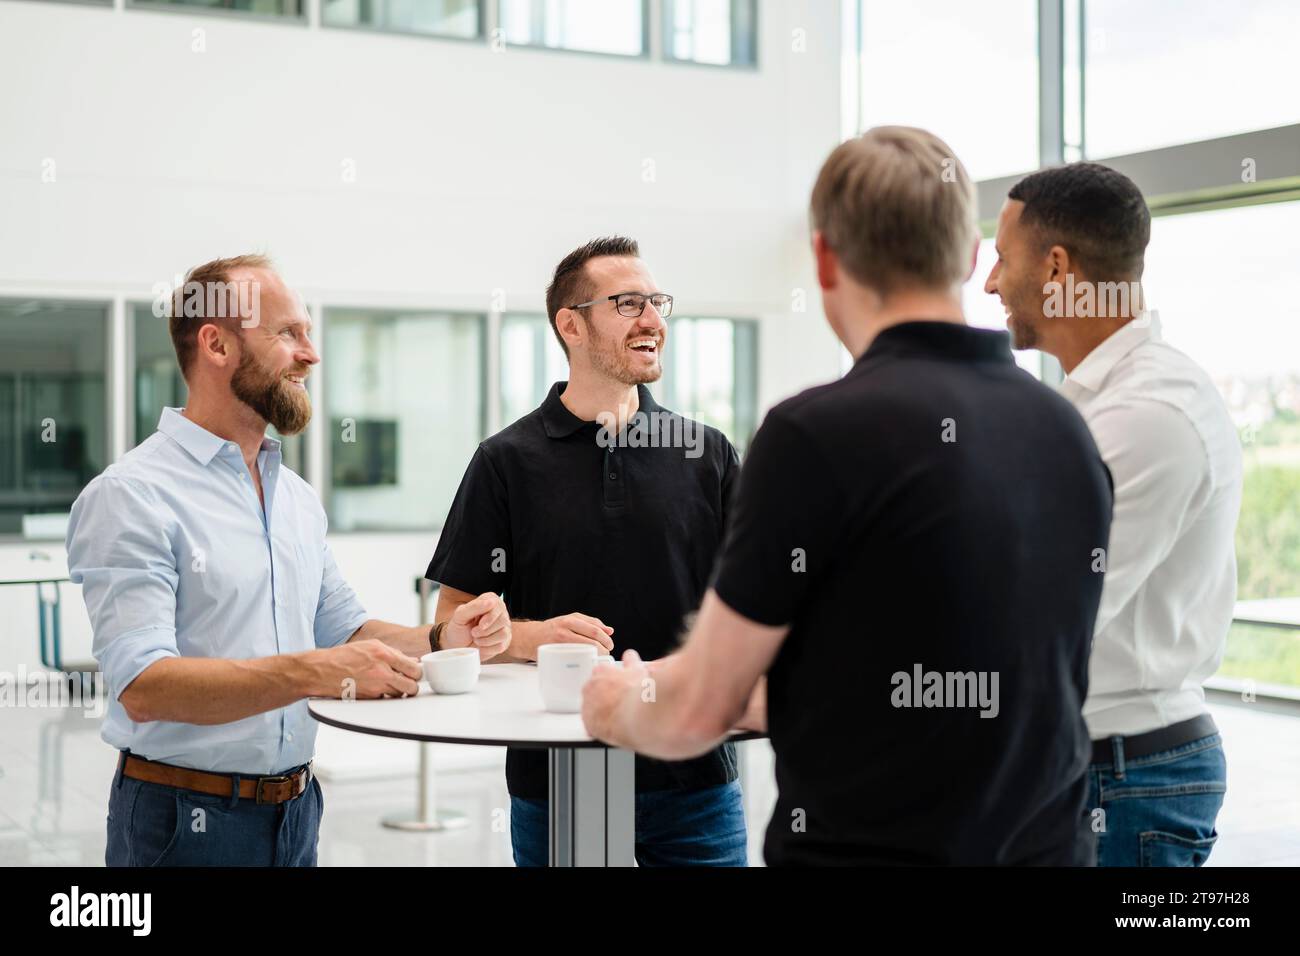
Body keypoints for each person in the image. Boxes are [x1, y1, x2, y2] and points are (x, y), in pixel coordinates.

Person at [582, 128, 1113, 866]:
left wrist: (616, 701)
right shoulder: (1066, 428)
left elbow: (697, 709)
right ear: (964, 256)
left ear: (826, 258)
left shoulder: (814, 435)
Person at [67, 254, 511, 867]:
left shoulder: (294, 496)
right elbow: (144, 686)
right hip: (183, 822)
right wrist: (313, 672)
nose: (312, 353)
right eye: (288, 334)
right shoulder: (132, 495)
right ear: (216, 344)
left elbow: (345, 632)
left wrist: (439, 637)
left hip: (297, 812)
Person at [427, 236, 748, 866]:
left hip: (695, 768)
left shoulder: (707, 454)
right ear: (570, 325)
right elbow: (450, 624)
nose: (654, 320)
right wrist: (530, 636)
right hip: (568, 771)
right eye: (629, 304)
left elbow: (749, 607)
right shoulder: (506, 461)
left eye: (658, 303)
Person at [984, 162, 1242, 866]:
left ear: (1057, 266)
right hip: (1094, 770)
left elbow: (1040, 611)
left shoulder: (1148, 415)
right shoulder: (1090, 403)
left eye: (1002, 258)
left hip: (1126, 784)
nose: (990, 283)